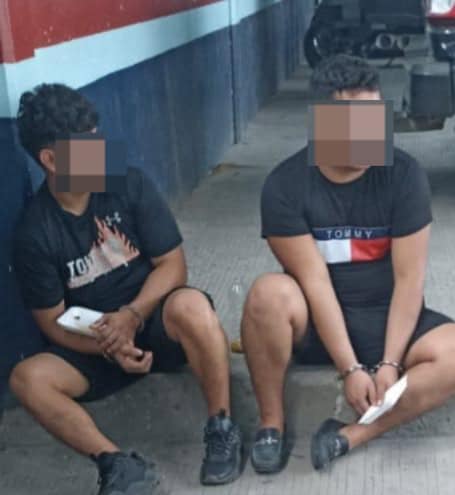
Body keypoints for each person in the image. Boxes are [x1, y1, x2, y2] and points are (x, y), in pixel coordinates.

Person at [10, 84, 243, 495]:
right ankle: (117, 464)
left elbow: (173, 265)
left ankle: (222, 428)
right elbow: (51, 322)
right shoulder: (35, 230)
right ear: (50, 159)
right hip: (95, 345)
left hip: (152, 320)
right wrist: (110, 345)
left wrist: (133, 316)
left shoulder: (126, 181)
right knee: (27, 379)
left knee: (192, 306)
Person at [241, 54, 455, 473]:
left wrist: (390, 363)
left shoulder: (404, 175)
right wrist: (350, 368)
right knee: (267, 294)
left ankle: (349, 435)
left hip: (388, 321)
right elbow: (315, 282)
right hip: (317, 326)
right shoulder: (284, 186)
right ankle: (271, 424)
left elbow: (409, 281)